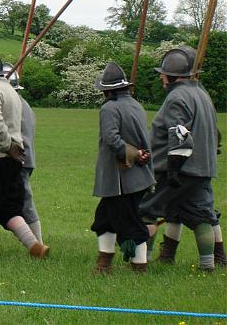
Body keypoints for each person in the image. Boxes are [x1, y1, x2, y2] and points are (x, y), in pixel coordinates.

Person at [139, 48, 220, 271]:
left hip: (176, 168)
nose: (160, 77)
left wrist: (173, 169)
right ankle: (207, 265)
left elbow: (179, 133)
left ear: (171, 76)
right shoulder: (202, 94)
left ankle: (140, 262)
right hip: (202, 169)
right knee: (201, 215)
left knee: (147, 212)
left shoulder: (177, 97)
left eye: (163, 73)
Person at [0, 53, 50, 258]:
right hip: (11, 159)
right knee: (9, 210)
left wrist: (6, 145)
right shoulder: (11, 92)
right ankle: (34, 245)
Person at [91, 62, 155, 273]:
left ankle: (139, 268)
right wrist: (141, 154)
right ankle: (104, 264)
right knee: (103, 221)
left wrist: (135, 154)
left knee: (131, 226)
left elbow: (112, 139)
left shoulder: (109, 108)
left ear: (107, 91)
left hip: (121, 180)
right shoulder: (136, 105)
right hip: (137, 177)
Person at [3, 62, 43, 244]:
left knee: (25, 203)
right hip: (20, 159)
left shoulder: (16, 104)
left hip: (18, 160)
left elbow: (21, 139)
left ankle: (38, 244)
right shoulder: (19, 103)